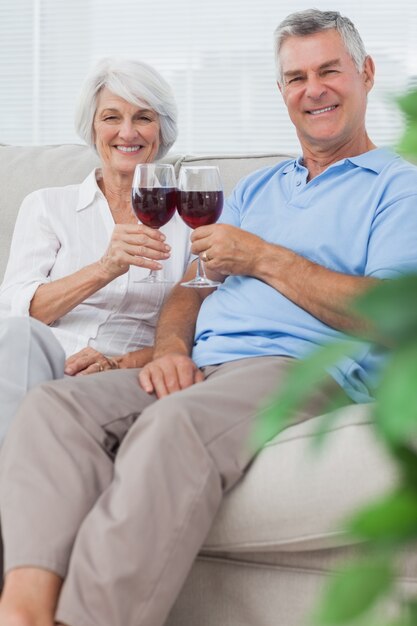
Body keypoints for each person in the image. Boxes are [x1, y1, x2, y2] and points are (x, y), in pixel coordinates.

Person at [1, 9, 417, 626]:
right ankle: (24, 614)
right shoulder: (257, 189)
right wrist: (169, 349)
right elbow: (192, 290)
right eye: (296, 78)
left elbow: (392, 317)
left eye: (329, 70)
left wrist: (266, 258)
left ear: (366, 74)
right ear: (282, 92)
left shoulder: (397, 188)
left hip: (297, 367)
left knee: (174, 427)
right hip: (208, 364)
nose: (314, 89)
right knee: (54, 409)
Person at [0, 57, 191, 441]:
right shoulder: (47, 206)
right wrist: (104, 268)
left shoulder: (189, 221)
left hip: (115, 377)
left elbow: (198, 330)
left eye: (143, 117)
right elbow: (17, 312)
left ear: (161, 129)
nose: (127, 132)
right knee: (18, 339)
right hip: (35, 363)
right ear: (92, 126)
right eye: (111, 118)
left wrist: (117, 364)